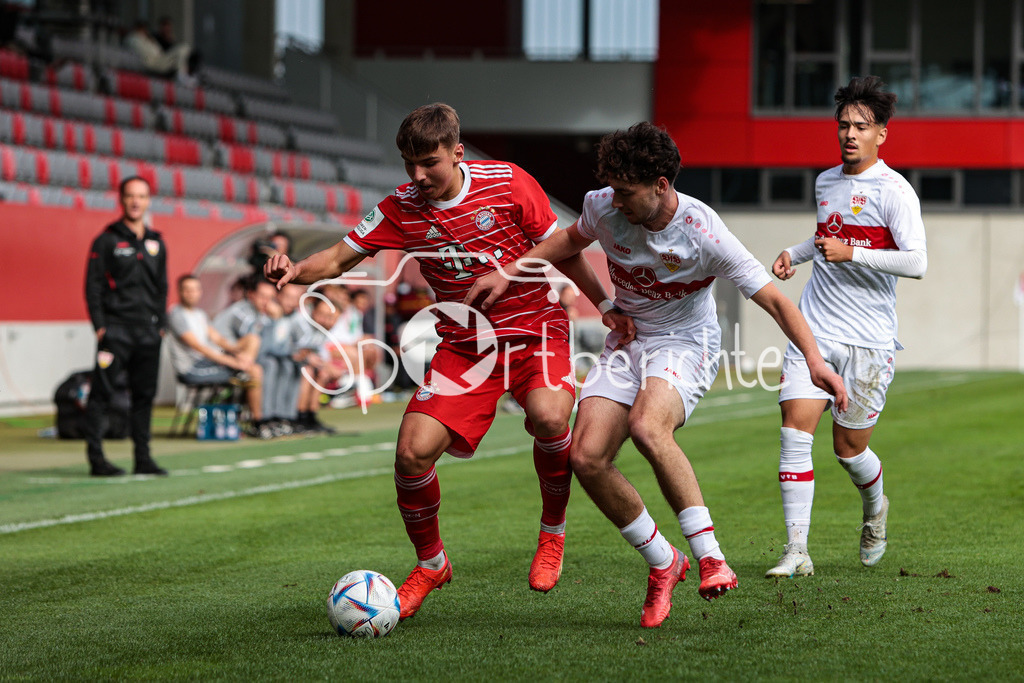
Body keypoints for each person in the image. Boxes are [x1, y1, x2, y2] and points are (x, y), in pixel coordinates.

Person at [465, 122, 847, 628]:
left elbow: (775, 299)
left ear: (661, 186)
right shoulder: (604, 205)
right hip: (629, 338)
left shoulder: (703, 231)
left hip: (687, 342)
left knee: (648, 426)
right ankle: (664, 562)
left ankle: (711, 556)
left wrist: (816, 363)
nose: (615, 202)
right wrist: (510, 271)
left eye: (626, 193)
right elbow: (568, 240)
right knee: (586, 456)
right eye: (614, 191)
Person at [265, 103, 613, 620]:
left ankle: (552, 532)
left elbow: (563, 249)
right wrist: (295, 270)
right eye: (409, 164)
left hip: (535, 332)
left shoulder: (511, 183)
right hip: (464, 346)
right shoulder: (400, 206)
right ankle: (432, 564)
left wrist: (604, 305)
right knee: (411, 454)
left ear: (456, 152)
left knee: (549, 417)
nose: (417, 175)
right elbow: (339, 257)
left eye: (428, 162)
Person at [765, 76, 927, 578]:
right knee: (795, 432)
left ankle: (875, 507)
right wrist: (796, 252)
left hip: (870, 341)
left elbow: (917, 262)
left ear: (882, 133)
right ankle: (797, 551)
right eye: (843, 125)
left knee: (847, 450)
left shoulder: (896, 191)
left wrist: (852, 252)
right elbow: (825, 239)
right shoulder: (825, 182)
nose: (850, 134)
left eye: (861, 126)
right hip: (815, 329)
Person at [83, 176, 169, 476]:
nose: (136, 201)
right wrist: (100, 327)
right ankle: (97, 459)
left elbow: (162, 287)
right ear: (120, 199)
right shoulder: (106, 240)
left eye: (142, 196)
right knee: (101, 395)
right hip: (116, 331)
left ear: (148, 201)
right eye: (130, 196)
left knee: (144, 397)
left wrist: (161, 326)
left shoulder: (157, 241)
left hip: (149, 332)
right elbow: (92, 286)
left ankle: (142, 458)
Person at [166, 274, 264, 428]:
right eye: (187, 290)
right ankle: (257, 423)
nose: (192, 293)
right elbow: (200, 348)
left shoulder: (200, 315)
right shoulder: (176, 314)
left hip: (208, 363)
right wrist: (233, 362)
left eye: (195, 290)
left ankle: (251, 418)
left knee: (253, 341)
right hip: (193, 369)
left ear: (200, 292)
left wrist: (240, 354)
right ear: (180, 291)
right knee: (254, 371)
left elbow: (219, 340)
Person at [212, 275, 276, 438]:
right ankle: (258, 422)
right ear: (251, 295)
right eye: (263, 297)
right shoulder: (242, 312)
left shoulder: (258, 313)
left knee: (265, 366)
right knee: (255, 370)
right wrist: (275, 317)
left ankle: (268, 418)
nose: (266, 302)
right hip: (215, 356)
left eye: (270, 298)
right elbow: (251, 340)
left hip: (234, 356)